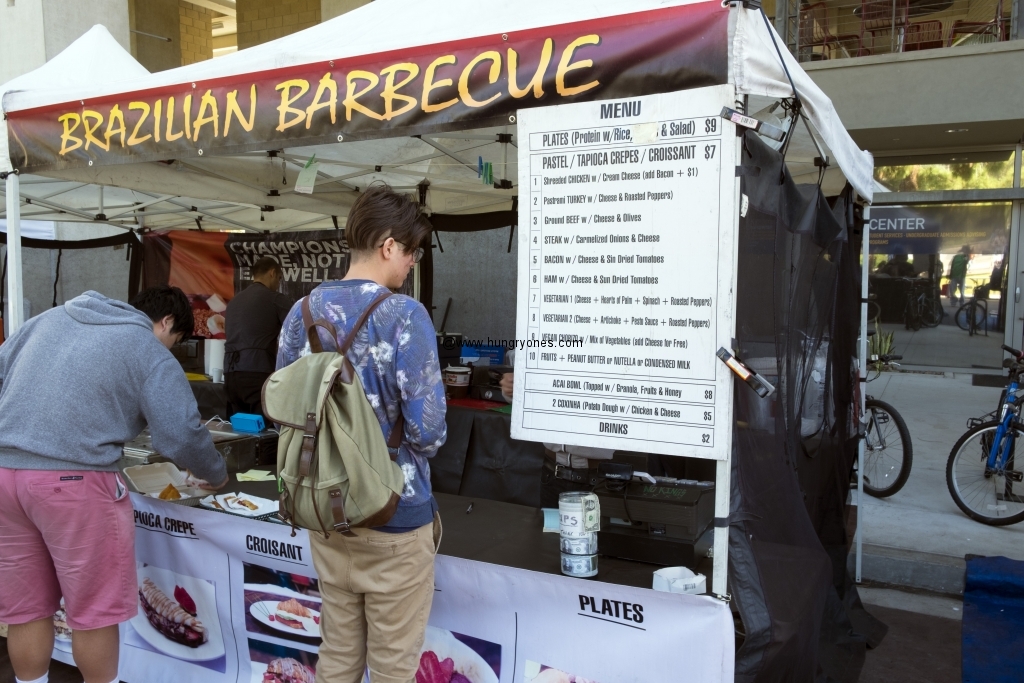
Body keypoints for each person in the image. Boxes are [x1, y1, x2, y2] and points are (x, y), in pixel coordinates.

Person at [0, 285, 228, 683]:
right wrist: (216, 473)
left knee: (27, 609)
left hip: (6, 476)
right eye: (174, 342)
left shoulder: (44, 321)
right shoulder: (144, 346)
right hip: (76, 484)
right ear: (167, 322)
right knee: (93, 612)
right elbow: (179, 435)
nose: (170, 350)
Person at [276, 185, 445, 683]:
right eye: (412, 251)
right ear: (389, 245)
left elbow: (285, 413)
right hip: (394, 510)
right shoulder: (404, 315)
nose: (413, 262)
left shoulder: (300, 314)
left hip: (326, 508)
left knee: (338, 658)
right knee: (393, 668)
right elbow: (428, 432)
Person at [500, 361, 615, 507]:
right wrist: (513, 387)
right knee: (550, 530)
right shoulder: (550, 346)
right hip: (552, 473)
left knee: (596, 530)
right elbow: (534, 391)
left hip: (599, 478)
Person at [224, 256, 293, 418]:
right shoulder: (274, 299)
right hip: (258, 374)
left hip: (230, 375)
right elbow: (297, 328)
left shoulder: (234, 302)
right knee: (264, 433)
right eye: (279, 278)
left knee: (240, 431)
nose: (278, 284)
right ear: (272, 273)